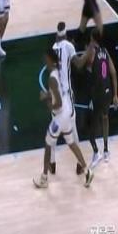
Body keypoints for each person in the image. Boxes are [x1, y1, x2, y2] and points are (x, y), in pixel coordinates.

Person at [33, 48, 94, 189]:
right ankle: (87, 171)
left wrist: (48, 102)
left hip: (60, 115)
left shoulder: (52, 78)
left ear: (50, 59)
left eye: (45, 58)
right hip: (67, 112)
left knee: (48, 144)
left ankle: (44, 178)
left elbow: (58, 103)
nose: (44, 60)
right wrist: (48, 95)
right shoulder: (59, 72)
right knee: (71, 143)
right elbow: (58, 92)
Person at [50, 21, 89, 176]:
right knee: (73, 129)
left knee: (53, 128)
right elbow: (78, 64)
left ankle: (52, 163)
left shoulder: (53, 48)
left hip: (55, 94)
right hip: (65, 95)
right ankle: (80, 164)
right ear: (66, 34)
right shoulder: (69, 46)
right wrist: (88, 52)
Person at [85, 28, 118, 167]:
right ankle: (106, 150)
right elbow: (113, 72)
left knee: (90, 127)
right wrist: (115, 95)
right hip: (108, 92)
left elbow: (87, 67)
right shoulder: (105, 52)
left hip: (97, 93)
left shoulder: (92, 52)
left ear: (92, 39)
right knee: (105, 118)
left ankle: (96, 152)